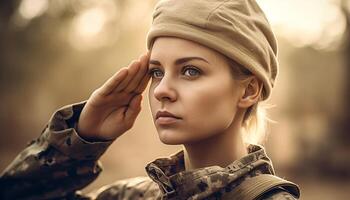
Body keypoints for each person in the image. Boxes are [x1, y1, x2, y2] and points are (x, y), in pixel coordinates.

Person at [0, 0, 301, 199]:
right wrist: (82, 136)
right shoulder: (137, 195)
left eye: (191, 71)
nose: (160, 90)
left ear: (248, 91)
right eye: (156, 72)